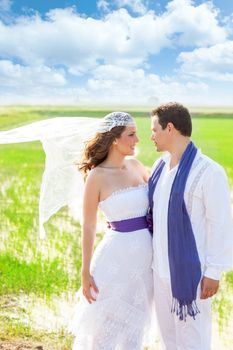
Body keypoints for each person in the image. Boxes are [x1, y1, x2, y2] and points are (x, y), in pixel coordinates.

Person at [148, 102, 233, 350]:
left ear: (170, 128)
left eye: (155, 130)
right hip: (159, 268)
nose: (151, 136)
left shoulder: (209, 171)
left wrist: (214, 272)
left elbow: (220, 225)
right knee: (168, 339)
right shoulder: (159, 167)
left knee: (192, 340)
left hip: (191, 275)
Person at [69, 112, 154, 349]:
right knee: (104, 329)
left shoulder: (137, 166)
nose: (138, 139)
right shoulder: (96, 176)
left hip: (145, 262)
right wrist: (85, 271)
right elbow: (88, 225)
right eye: (132, 134)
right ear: (115, 139)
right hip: (115, 259)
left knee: (134, 331)